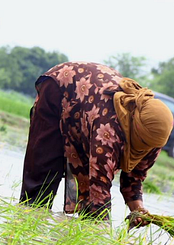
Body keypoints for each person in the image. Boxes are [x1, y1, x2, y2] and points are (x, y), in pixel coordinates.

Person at [20, 61, 173, 222]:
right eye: (142, 142)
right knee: (43, 172)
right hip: (62, 86)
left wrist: (139, 211)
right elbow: (99, 188)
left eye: (150, 147)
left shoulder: (153, 139)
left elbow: (134, 178)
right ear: (135, 127)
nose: (145, 149)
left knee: (89, 204)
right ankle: (25, 221)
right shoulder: (109, 127)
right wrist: (103, 235)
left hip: (90, 102)